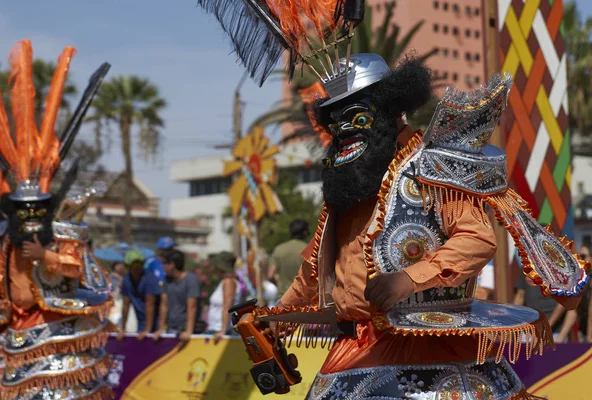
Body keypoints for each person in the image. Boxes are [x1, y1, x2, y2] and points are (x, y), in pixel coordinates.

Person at [201, 2, 589, 397]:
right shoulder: (347, 186)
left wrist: (409, 279)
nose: (345, 132)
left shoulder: (433, 166)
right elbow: (315, 272)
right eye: (335, 124)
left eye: (357, 117)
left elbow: (476, 239)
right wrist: (276, 317)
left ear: (391, 109)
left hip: (432, 348)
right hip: (355, 352)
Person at [0, 40, 113, 399]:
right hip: (15, 335)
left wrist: (46, 257)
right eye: (22, 211)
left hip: (58, 333)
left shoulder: (62, 233)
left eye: (35, 210)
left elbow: (86, 274)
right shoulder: (6, 239)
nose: (29, 217)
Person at [153, 250, 202, 341]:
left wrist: (188, 331)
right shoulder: (166, 280)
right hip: (171, 328)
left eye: (164, 263)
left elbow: (192, 306)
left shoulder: (191, 280)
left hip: (188, 330)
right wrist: (160, 329)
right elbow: (164, 305)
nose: (162, 266)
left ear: (172, 264)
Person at [118, 249, 164, 341]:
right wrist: (123, 328)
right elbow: (125, 305)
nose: (137, 267)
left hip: (155, 320)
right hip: (141, 319)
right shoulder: (127, 280)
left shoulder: (149, 278)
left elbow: (150, 305)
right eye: (134, 264)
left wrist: (147, 330)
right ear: (128, 266)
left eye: (139, 264)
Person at [267, 219, 309, 299]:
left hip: (283, 298)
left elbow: (270, 275)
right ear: (305, 233)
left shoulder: (278, 249)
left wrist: (279, 284)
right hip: (303, 299)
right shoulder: (309, 249)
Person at [206, 252, 242, 342]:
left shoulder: (228, 282)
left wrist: (223, 330)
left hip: (222, 331)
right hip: (216, 328)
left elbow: (227, 306)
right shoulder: (225, 282)